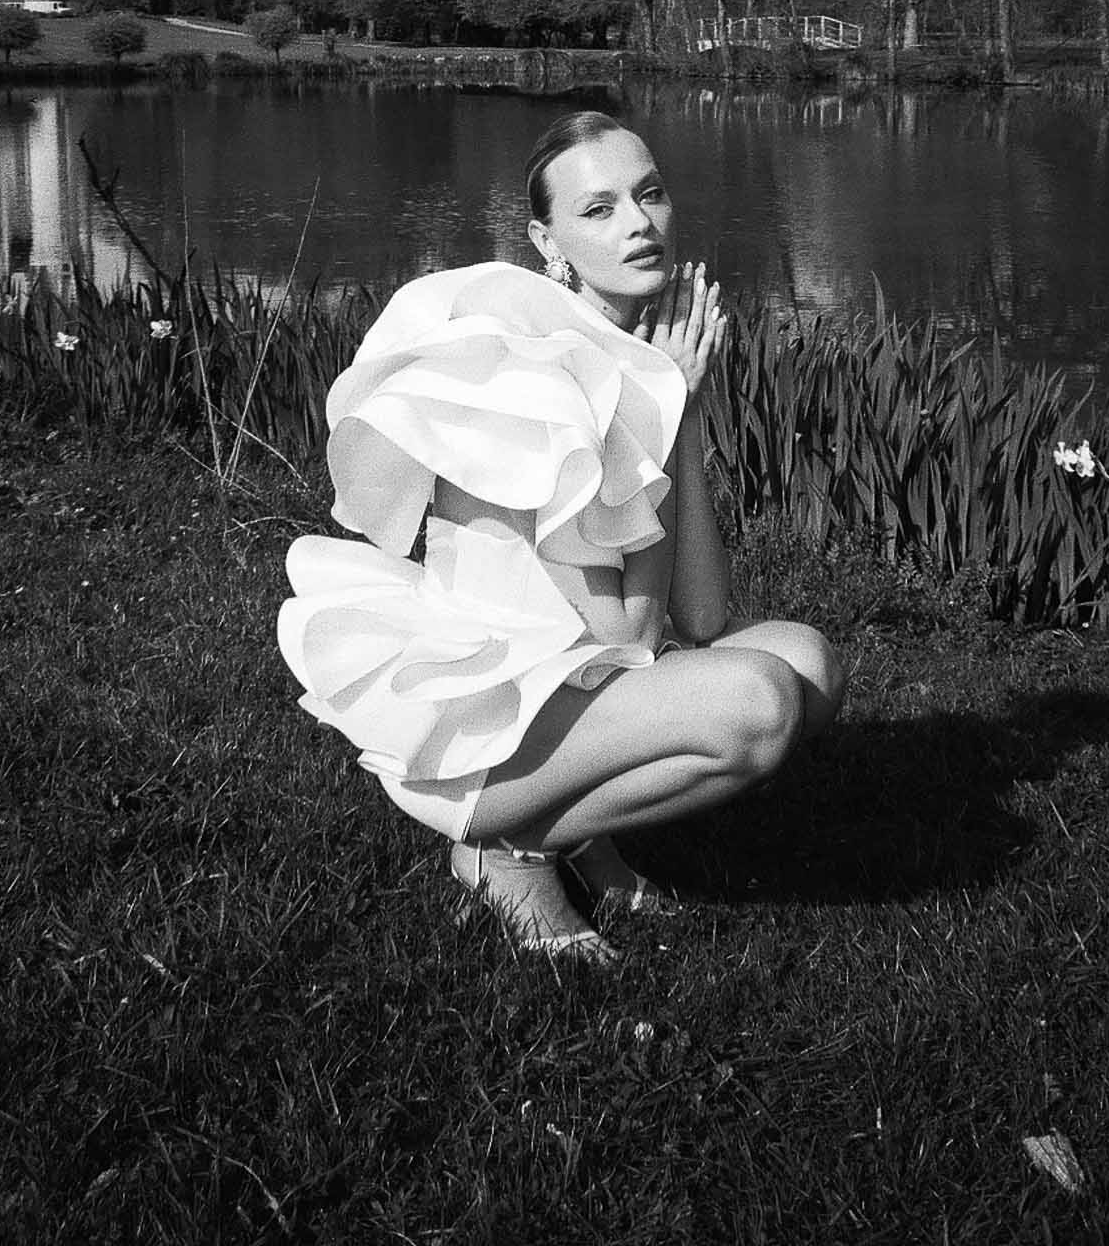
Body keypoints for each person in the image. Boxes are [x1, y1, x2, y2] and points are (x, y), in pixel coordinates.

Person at [278, 111, 845, 960]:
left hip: (574, 691)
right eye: (599, 209)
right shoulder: (538, 373)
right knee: (755, 704)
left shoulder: (623, 360)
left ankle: (580, 833)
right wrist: (650, 406)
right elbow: (630, 635)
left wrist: (674, 409)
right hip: (488, 735)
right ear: (546, 241)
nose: (638, 224)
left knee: (808, 661)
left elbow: (700, 615)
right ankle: (507, 851)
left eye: (648, 194)